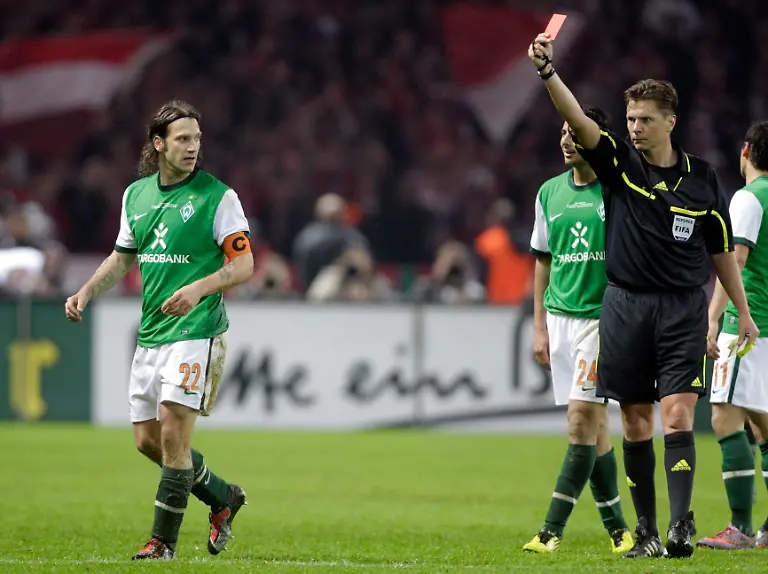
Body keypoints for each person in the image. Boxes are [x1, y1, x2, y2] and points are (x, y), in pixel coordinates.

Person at [528, 35, 757, 559]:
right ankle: (647, 533)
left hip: (681, 308)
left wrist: (739, 311)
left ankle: (681, 524)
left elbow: (720, 250)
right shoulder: (619, 166)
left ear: (670, 121)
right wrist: (548, 75)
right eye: (630, 119)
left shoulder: (703, 180)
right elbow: (581, 124)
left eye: (645, 119)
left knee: (676, 414)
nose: (634, 128)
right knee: (634, 421)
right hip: (626, 306)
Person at [65, 100, 254, 560]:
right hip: (152, 333)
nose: (193, 147)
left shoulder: (218, 197)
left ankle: (161, 545)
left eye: (197, 139)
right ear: (159, 144)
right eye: (183, 139)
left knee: (173, 432)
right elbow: (122, 258)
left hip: (197, 329)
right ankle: (223, 497)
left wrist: (199, 289)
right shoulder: (137, 196)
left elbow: (244, 263)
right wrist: (87, 290)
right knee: (148, 441)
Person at [524, 107, 634, 555]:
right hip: (560, 319)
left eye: (575, 133)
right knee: (596, 429)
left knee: (578, 421)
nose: (567, 140)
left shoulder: (616, 190)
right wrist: (539, 327)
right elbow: (542, 260)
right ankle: (619, 532)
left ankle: (551, 530)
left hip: (601, 320)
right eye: (563, 133)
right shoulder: (549, 193)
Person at [697, 120, 768, 550]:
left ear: (745, 151)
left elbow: (733, 261)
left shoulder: (748, 197)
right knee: (760, 422)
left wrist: (714, 316)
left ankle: (739, 526)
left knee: (726, 415)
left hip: (749, 323)